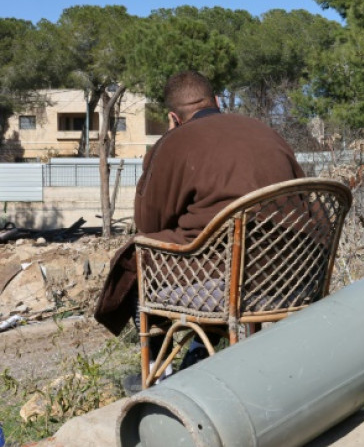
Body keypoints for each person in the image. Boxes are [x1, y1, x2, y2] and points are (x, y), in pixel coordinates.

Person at [94, 71, 305, 372]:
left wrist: (169, 139)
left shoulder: (175, 142)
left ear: (173, 118)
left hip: (228, 282)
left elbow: (148, 223)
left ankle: (158, 371)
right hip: (293, 274)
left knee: (137, 259)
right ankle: (198, 360)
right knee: (209, 258)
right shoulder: (264, 131)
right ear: (217, 102)